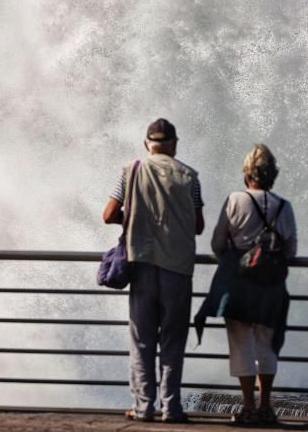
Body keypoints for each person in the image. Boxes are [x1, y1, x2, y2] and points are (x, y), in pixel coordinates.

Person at [103, 118, 204, 423]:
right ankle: (171, 408)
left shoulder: (130, 171)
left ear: (147, 144)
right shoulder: (190, 176)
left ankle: (144, 406)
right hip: (178, 269)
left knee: (142, 340)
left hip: (142, 265)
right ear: (173, 144)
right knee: (173, 340)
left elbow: (108, 214)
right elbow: (198, 226)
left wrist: (135, 217)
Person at [194, 144, 297, 426]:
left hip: (239, 285)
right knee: (267, 345)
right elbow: (290, 251)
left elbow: (217, 243)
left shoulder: (235, 201)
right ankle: (266, 406)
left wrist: (237, 254)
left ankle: (248, 407)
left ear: (247, 174)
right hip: (272, 287)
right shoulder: (283, 207)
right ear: (273, 176)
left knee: (242, 345)